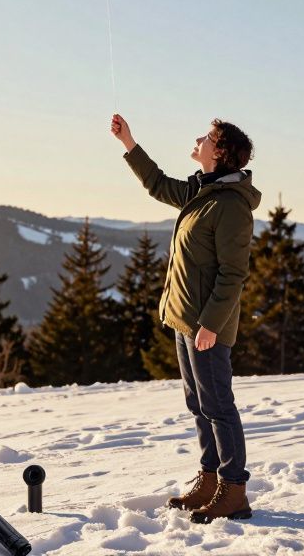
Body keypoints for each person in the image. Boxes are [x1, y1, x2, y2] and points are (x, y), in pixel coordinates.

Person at [109, 113, 260, 523]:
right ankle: (210, 480)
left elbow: (233, 273)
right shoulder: (202, 190)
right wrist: (129, 142)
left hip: (207, 325)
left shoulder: (231, 206)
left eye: (208, 138)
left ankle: (234, 490)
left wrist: (210, 324)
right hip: (185, 319)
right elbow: (158, 184)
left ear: (221, 153)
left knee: (218, 405)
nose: (199, 139)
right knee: (198, 403)